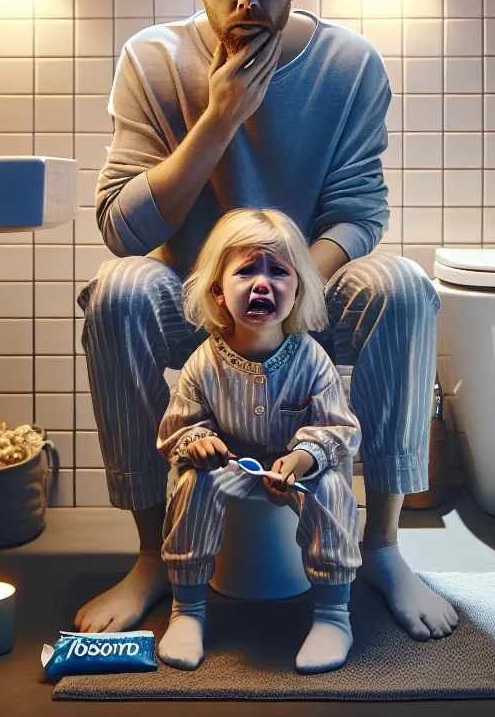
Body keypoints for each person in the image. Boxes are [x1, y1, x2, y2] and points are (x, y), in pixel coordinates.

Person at [74, 0, 458, 643]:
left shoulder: (350, 66)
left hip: (304, 299)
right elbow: (120, 224)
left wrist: (289, 298)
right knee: (116, 289)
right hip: (194, 303)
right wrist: (219, 116)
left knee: (404, 286)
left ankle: (381, 546)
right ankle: (153, 556)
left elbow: (359, 212)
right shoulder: (151, 61)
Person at [156, 209, 360, 673]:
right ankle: (187, 609)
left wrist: (306, 457)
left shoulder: (312, 359)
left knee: (329, 491)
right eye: (245, 270)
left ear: (298, 290)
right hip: (230, 470)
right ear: (218, 291)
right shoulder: (204, 362)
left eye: (278, 271)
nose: (262, 283)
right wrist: (197, 443)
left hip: (298, 474)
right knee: (193, 484)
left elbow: (339, 428)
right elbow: (176, 428)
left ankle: (333, 613)